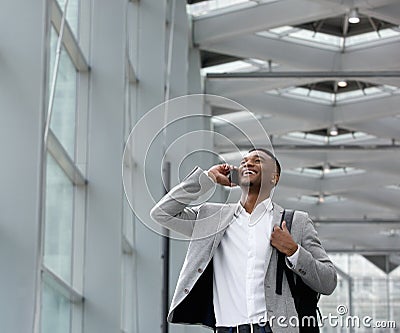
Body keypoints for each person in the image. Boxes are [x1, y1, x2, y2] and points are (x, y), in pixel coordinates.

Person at [151, 148, 337, 333]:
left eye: (257, 161)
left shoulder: (296, 222)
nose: (248, 163)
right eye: (244, 162)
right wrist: (209, 178)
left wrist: (294, 251)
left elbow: (328, 281)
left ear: (274, 177)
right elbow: (162, 213)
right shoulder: (212, 218)